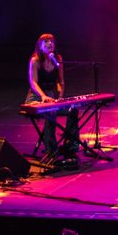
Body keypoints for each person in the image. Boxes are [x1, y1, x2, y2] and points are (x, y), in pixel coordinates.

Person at [26, 33, 80, 161]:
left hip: (51, 98)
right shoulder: (35, 60)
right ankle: (51, 150)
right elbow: (33, 83)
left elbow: (60, 81)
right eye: (46, 41)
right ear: (39, 46)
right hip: (36, 98)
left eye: (51, 41)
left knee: (73, 110)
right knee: (51, 111)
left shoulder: (57, 59)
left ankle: (71, 146)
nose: (50, 43)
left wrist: (60, 96)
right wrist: (43, 96)